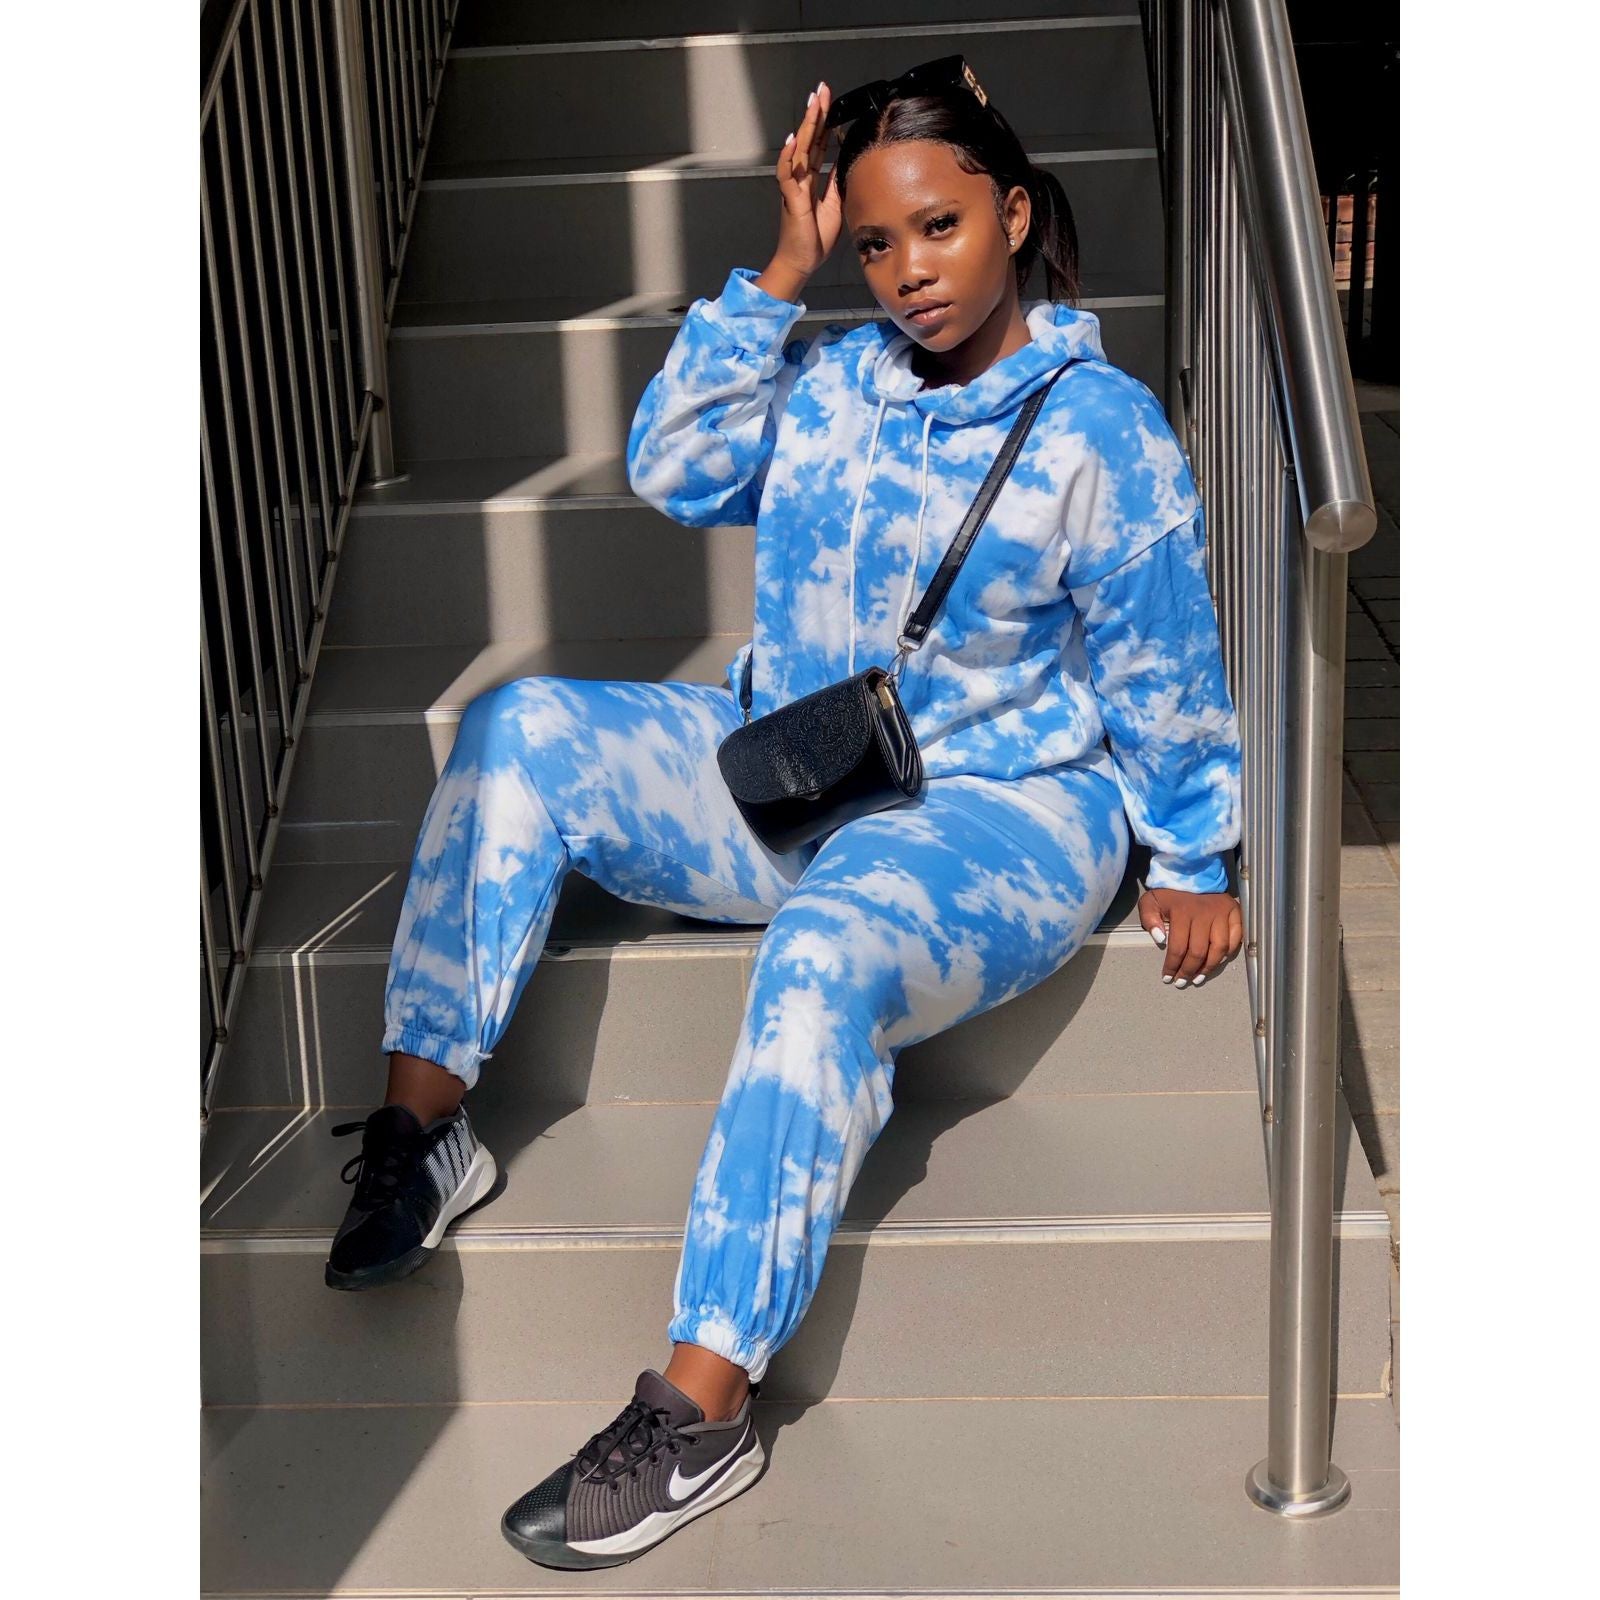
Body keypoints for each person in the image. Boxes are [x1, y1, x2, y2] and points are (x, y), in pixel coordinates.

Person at [322, 59, 1244, 1572]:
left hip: (1002, 810)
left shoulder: (1101, 427)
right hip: (798, 769)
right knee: (519, 726)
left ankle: (701, 1410)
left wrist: (1195, 848)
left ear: (1015, 215)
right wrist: (781, 271)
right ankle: (423, 1135)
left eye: (940, 227)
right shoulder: (831, 385)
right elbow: (673, 470)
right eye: (877, 243)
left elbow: (1164, 656)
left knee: (821, 950)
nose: (910, 271)